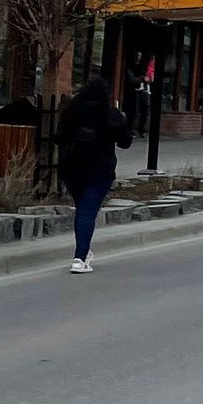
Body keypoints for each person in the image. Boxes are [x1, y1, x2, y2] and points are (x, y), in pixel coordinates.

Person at [56, 73, 133, 273]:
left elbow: (59, 138)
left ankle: (84, 251)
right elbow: (125, 143)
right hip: (99, 170)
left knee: (82, 209)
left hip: (71, 168)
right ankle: (80, 257)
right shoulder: (110, 114)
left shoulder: (71, 111)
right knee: (87, 212)